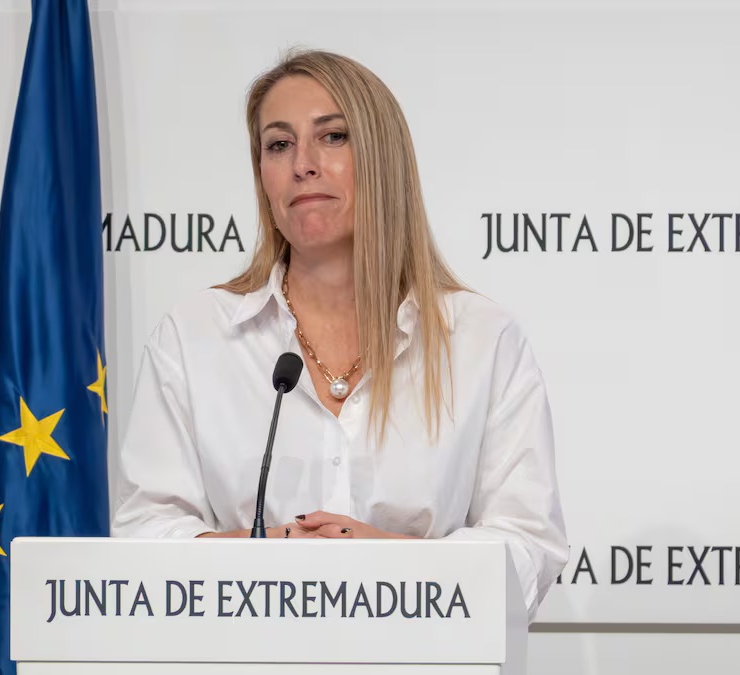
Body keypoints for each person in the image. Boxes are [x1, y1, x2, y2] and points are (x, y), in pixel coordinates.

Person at [111, 49, 568, 620]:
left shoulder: (481, 340)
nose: (302, 164)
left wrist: (383, 561)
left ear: (382, 158)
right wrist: (270, 551)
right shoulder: (192, 336)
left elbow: (527, 550)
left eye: (332, 137)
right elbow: (144, 533)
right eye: (279, 144)